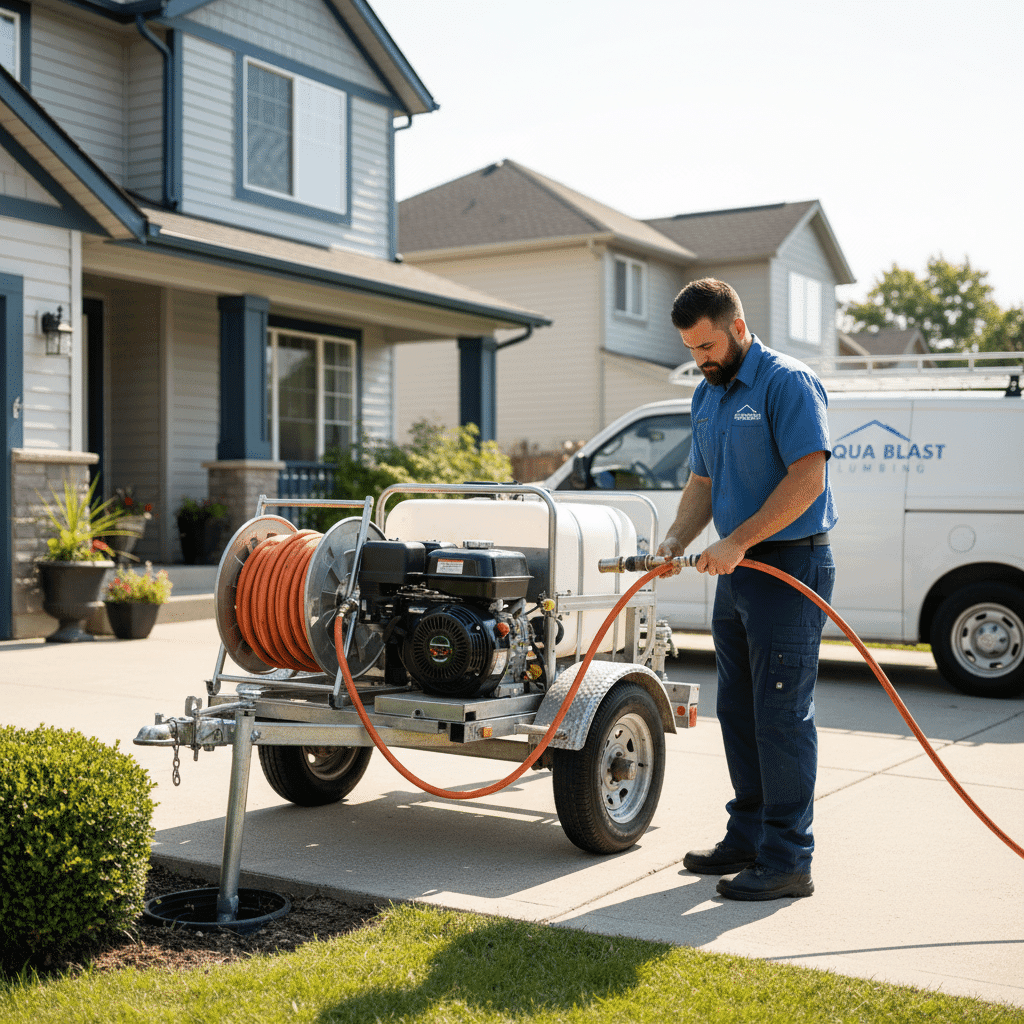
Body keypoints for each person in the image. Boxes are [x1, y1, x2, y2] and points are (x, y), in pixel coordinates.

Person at [656, 278, 837, 901]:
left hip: (788, 568)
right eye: (689, 346)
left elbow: (807, 479)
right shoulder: (707, 396)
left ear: (736, 327)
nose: (699, 357)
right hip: (737, 574)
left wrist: (739, 541)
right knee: (738, 710)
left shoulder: (786, 382)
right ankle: (750, 836)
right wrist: (676, 541)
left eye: (706, 344)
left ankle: (788, 859)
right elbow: (701, 484)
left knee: (781, 714)